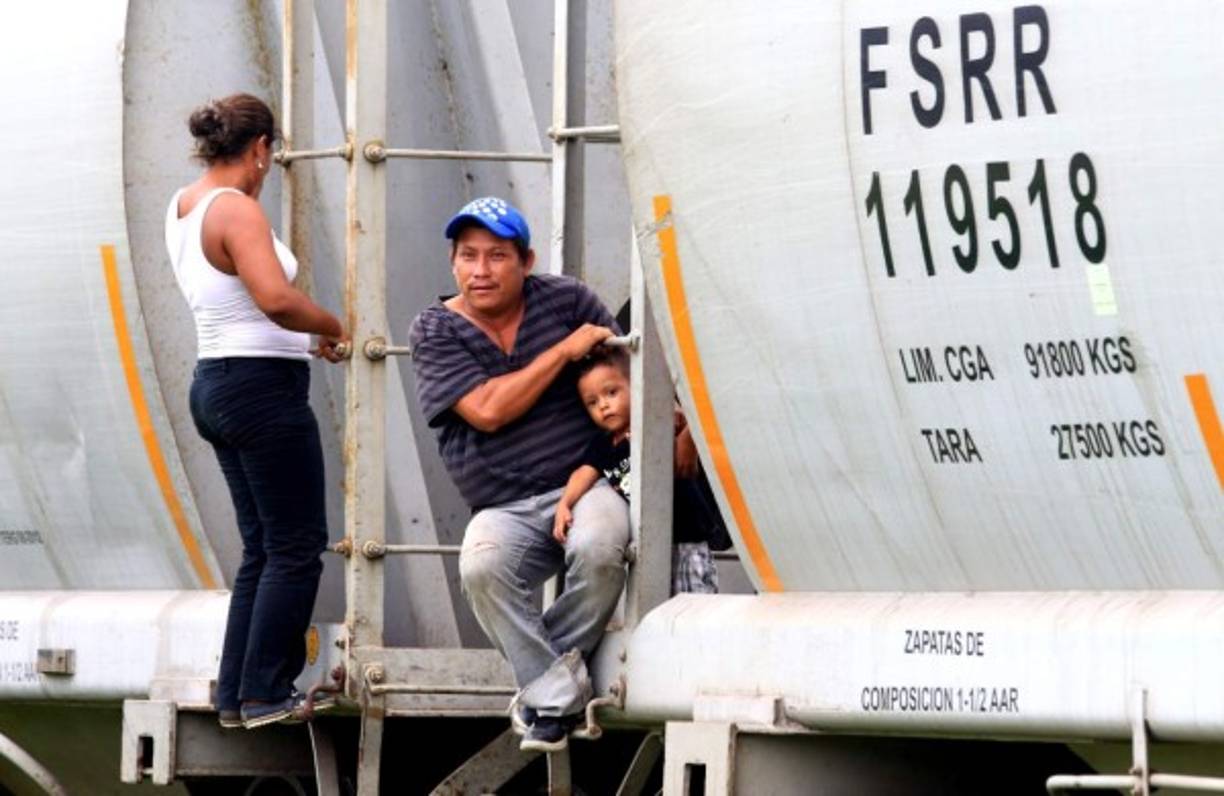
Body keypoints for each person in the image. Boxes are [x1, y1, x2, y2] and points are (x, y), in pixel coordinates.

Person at [408, 197, 629, 753]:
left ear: (526, 261)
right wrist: (561, 353)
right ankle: (556, 691)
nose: (480, 271)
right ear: (453, 263)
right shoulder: (435, 329)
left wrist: (677, 430)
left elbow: (626, 375)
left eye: (496, 256)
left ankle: (545, 694)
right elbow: (486, 409)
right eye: (467, 256)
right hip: (503, 506)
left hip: (585, 480)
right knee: (481, 566)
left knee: (602, 547)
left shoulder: (568, 300)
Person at [165, 94, 347, 730]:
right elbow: (274, 300)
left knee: (262, 549)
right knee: (296, 546)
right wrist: (333, 326)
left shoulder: (184, 204)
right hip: (259, 389)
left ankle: (237, 695)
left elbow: (234, 304)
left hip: (215, 382)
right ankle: (267, 691)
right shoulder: (236, 209)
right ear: (262, 149)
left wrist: (303, 336)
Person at [553, 347, 724, 595]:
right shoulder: (603, 445)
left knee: (692, 606)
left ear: (635, 386)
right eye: (593, 402)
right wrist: (564, 504)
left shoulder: (658, 419)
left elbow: (701, 410)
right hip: (647, 544)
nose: (603, 405)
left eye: (611, 393)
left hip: (686, 538)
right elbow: (583, 472)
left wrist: (688, 437)